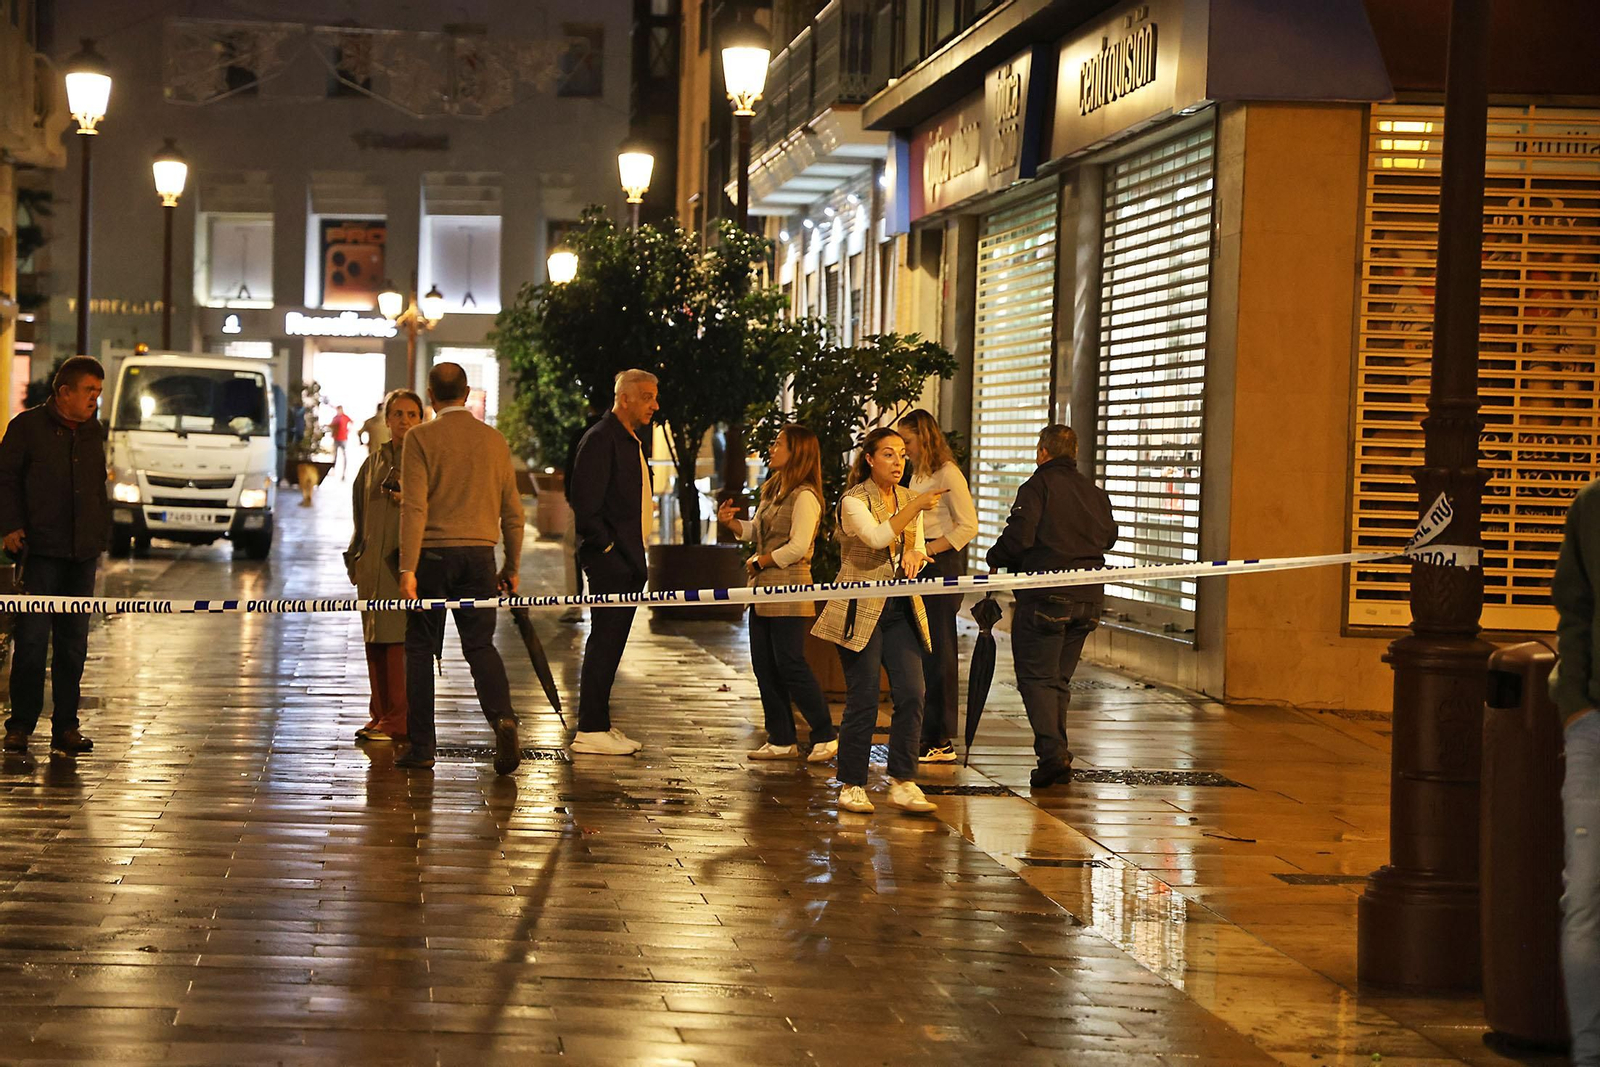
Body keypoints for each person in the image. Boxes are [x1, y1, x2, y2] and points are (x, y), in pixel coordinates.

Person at [394, 363, 523, 775]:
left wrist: (407, 568)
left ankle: (422, 747)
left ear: (430, 395)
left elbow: (414, 506)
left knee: (419, 648)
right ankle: (502, 718)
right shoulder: (494, 441)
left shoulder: (420, 438)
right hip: (480, 557)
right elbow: (513, 512)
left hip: (431, 557)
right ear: (466, 393)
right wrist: (512, 565)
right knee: (480, 644)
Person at [812, 427, 945, 816]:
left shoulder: (908, 499)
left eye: (903, 454)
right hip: (859, 607)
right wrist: (916, 507)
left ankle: (903, 780)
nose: (898, 462)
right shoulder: (853, 501)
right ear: (869, 459)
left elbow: (915, 545)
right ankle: (851, 783)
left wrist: (915, 558)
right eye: (888, 454)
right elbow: (875, 538)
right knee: (865, 697)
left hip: (900, 607)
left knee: (912, 692)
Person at [986, 425, 1117, 789]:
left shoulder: (1037, 487)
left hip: (1046, 595)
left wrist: (995, 556)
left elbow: (1020, 535)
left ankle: (1053, 755)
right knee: (1057, 678)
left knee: (1037, 678)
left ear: (1043, 451)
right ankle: (1056, 753)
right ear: (1072, 453)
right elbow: (1109, 535)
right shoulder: (1094, 492)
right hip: (1089, 598)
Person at [0, 356, 109, 757]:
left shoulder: (93, 432)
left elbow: (98, 487)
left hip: (82, 554)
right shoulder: (27, 428)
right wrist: (10, 526)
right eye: (88, 392)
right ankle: (20, 726)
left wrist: (101, 534)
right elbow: (6, 479)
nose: (94, 400)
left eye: (98, 393)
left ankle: (66, 726)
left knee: (72, 645)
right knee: (30, 641)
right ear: (64, 392)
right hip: (40, 550)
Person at [717, 425, 837, 763]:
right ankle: (780, 737)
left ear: (796, 451)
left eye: (778, 443)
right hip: (763, 591)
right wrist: (732, 523)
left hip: (789, 588)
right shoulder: (773, 489)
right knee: (764, 665)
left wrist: (761, 561)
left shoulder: (806, 496)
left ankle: (825, 733)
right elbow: (757, 530)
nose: (771, 448)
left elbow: (798, 546)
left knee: (790, 663)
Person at [568, 369, 658, 756]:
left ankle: (599, 722)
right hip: (613, 563)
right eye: (647, 397)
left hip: (627, 560)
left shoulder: (627, 439)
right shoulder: (602, 439)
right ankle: (590, 728)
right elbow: (585, 505)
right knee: (604, 641)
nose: (655, 405)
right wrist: (609, 551)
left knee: (612, 641)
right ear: (625, 398)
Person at [897, 409, 979, 764]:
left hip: (939, 563)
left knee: (940, 647)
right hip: (917, 560)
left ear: (924, 437)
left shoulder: (948, 474)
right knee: (920, 645)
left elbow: (968, 526)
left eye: (908, 442)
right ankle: (926, 731)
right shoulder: (917, 474)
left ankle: (940, 737)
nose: (905, 449)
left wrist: (929, 549)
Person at [1551, 479, 1600, 1062]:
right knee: (1584, 896)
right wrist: (1578, 710)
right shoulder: (1591, 507)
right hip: (1594, 725)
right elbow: (1575, 609)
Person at [345, 388, 424, 745]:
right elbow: (359, 514)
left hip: (402, 567)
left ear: (422, 419)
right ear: (387, 419)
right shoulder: (373, 462)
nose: (405, 421)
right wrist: (355, 557)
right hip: (371, 567)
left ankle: (399, 719)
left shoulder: (424, 459)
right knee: (374, 640)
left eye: (412, 414)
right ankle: (380, 714)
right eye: (398, 414)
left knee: (397, 643)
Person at [559, 402, 604, 624]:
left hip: (580, 505)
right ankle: (605, 605)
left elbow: (571, 473)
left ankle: (574, 605)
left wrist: (571, 499)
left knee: (571, 549)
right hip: (610, 508)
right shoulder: (623, 434)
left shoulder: (582, 435)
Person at [330, 405, 353, 479]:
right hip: (336, 438)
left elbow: (352, 422)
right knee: (335, 455)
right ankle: (333, 469)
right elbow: (332, 426)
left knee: (344, 455)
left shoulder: (345, 417)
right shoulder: (335, 418)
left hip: (343, 438)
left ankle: (344, 473)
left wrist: (348, 430)